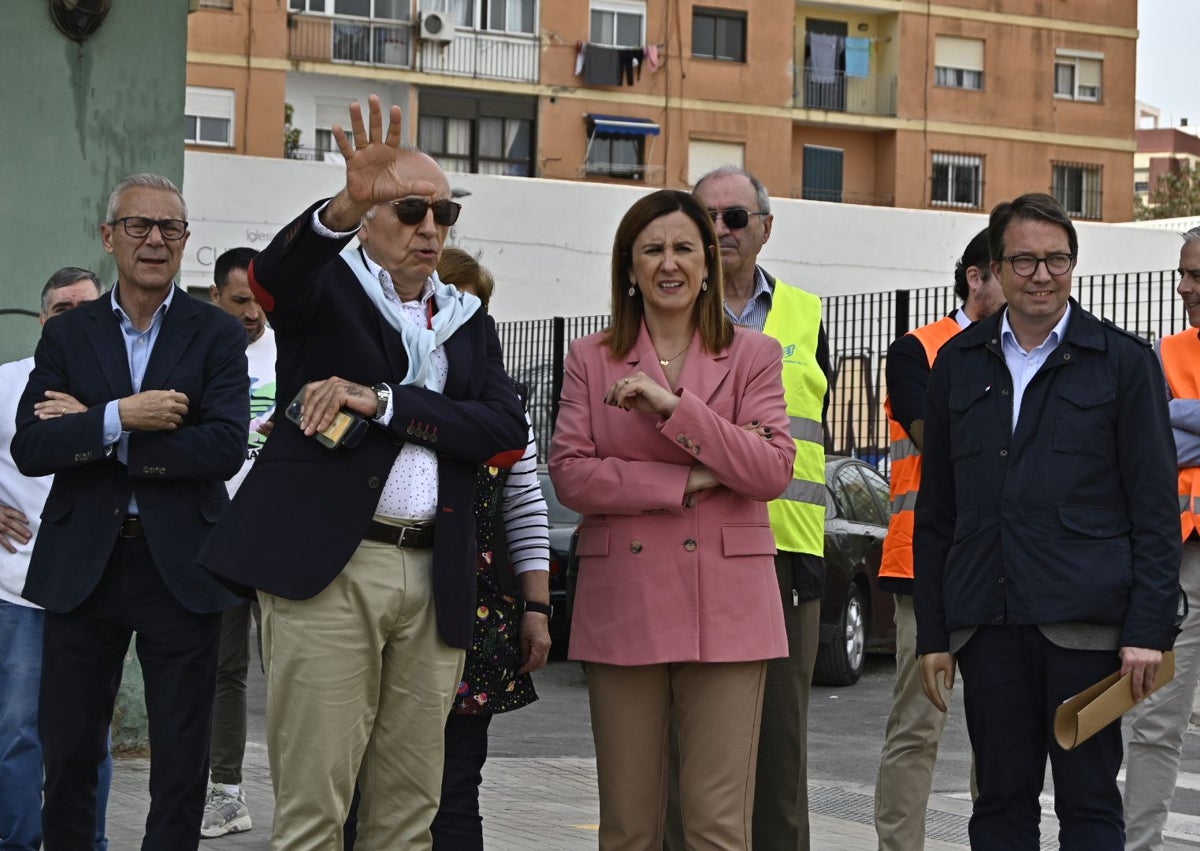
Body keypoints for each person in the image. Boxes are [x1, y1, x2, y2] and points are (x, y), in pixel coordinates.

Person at [196, 95, 528, 851]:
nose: (430, 228)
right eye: (411, 210)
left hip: (434, 568)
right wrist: (344, 203)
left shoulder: (467, 319)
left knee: (409, 811)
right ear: (374, 220)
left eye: (444, 213)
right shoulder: (330, 291)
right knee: (316, 806)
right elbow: (275, 275)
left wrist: (384, 401)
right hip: (333, 567)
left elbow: (504, 430)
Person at [914, 192, 1181, 850]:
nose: (1042, 274)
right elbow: (938, 509)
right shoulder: (958, 363)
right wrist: (934, 632)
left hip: (1086, 633)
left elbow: (1154, 508)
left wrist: (1147, 630)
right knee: (999, 805)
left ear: (1074, 265)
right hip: (990, 626)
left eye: (1057, 259)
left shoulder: (1123, 363)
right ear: (997, 270)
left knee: (1090, 805)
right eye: (1026, 260)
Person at [549, 188, 796, 850]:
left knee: (718, 826)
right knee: (629, 825)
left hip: (731, 606)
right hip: (623, 602)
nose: (670, 262)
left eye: (685, 247)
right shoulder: (588, 357)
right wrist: (686, 479)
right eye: (652, 249)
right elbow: (571, 473)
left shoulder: (755, 356)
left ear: (709, 264)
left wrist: (672, 406)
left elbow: (771, 469)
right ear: (628, 267)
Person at [11, 174, 250, 851]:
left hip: (182, 565)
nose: (154, 239)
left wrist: (102, 432)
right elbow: (33, 445)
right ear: (108, 235)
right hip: (84, 561)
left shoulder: (215, 333)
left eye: (169, 227)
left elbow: (225, 445)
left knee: (180, 757)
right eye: (139, 225)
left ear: (185, 241)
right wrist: (123, 414)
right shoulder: (70, 332)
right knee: (71, 750)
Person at [342, 248, 552, 851]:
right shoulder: (372, 395)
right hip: (373, 594)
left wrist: (536, 609)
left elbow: (525, 508)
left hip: (471, 611)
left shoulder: (503, 411)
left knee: (454, 790)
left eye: (476, 310)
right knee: (360, 786)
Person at [686, 165, 832, 851]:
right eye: (707, 217)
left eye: (735, 218)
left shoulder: (808, 313)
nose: (721, 231)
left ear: (765, 228)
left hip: (784, 551)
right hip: (690, 544)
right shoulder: (669, 308)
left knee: (779, 749)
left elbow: (814, 440)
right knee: (685, 741)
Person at [873, 228, 1002, 849]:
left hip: (1004, 568)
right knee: (917, 728)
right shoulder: (917, 350)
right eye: (1013, 267)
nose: (1033, 281)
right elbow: (938, 440)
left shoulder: (1029, 354)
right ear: (976, 276)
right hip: (923, 567)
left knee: (1003, 736)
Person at [0, 267, 111, 851]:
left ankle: (86, 843)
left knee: (89, 736)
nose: (74, 319)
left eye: (86, 308)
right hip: (18, 588)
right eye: (62, 310)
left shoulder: (120, 387)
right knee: (17, 732)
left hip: (96, 586)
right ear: (44, 321)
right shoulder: (5, 383)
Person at [1124, 224, 1200, 851]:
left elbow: (1173, 430)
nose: (1184, 287)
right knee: (1156, 719)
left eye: (1197, 275)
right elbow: (1153, 445)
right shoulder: (1163, 355)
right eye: (1182, 274)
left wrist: (1184, 416)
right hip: (1182, 560)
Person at [200, 246, 277, 839]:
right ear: (215, 298)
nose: (251, 313)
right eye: (239, 300)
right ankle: (225, 793)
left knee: (296, 673)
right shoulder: (200, 356)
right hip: (218, 536)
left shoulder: (294, 352)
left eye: (258, 301)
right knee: (224, 670)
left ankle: (305, 797)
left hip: (284, 537)